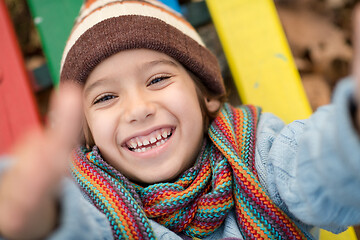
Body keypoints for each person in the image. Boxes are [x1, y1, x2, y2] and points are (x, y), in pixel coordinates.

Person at [0, 0, 360, 239]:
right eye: (106, 97)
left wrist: (352, 128)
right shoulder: (88, 203)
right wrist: (42, 219)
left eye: (158, 79)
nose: (138, 109)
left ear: (205, 94)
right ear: (87, 131)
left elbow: (315, 168)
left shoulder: (256, 153)